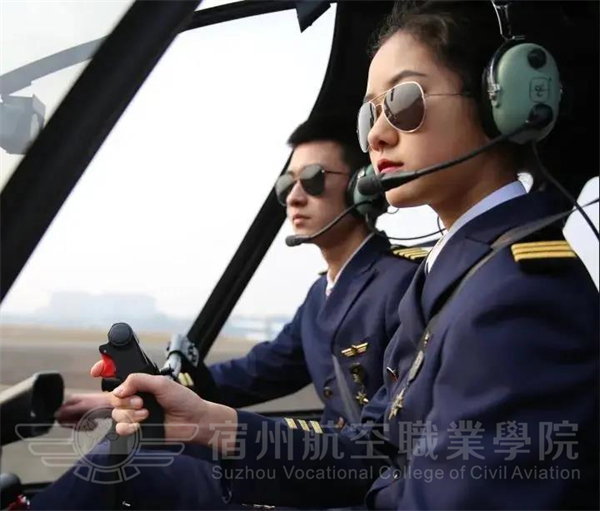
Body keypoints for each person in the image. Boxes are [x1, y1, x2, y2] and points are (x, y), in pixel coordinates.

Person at [76, 1, 598, 510]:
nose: (377, 135)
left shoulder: (521, 296)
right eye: (370, 114)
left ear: (495, 101)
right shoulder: (452, 274)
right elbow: (376, 451)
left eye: (404, 101)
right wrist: (211, 424)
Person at [32, 115, 423, 510]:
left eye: (313, 179)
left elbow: (386, 444)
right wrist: (135, 393)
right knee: (132, 442)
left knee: (118, 465)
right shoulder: (320, 295)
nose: (293, 197)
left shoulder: (404, 283)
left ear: (361, 185)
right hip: (320, 465)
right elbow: (255, 372)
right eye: (286, 184)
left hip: (354, 485)